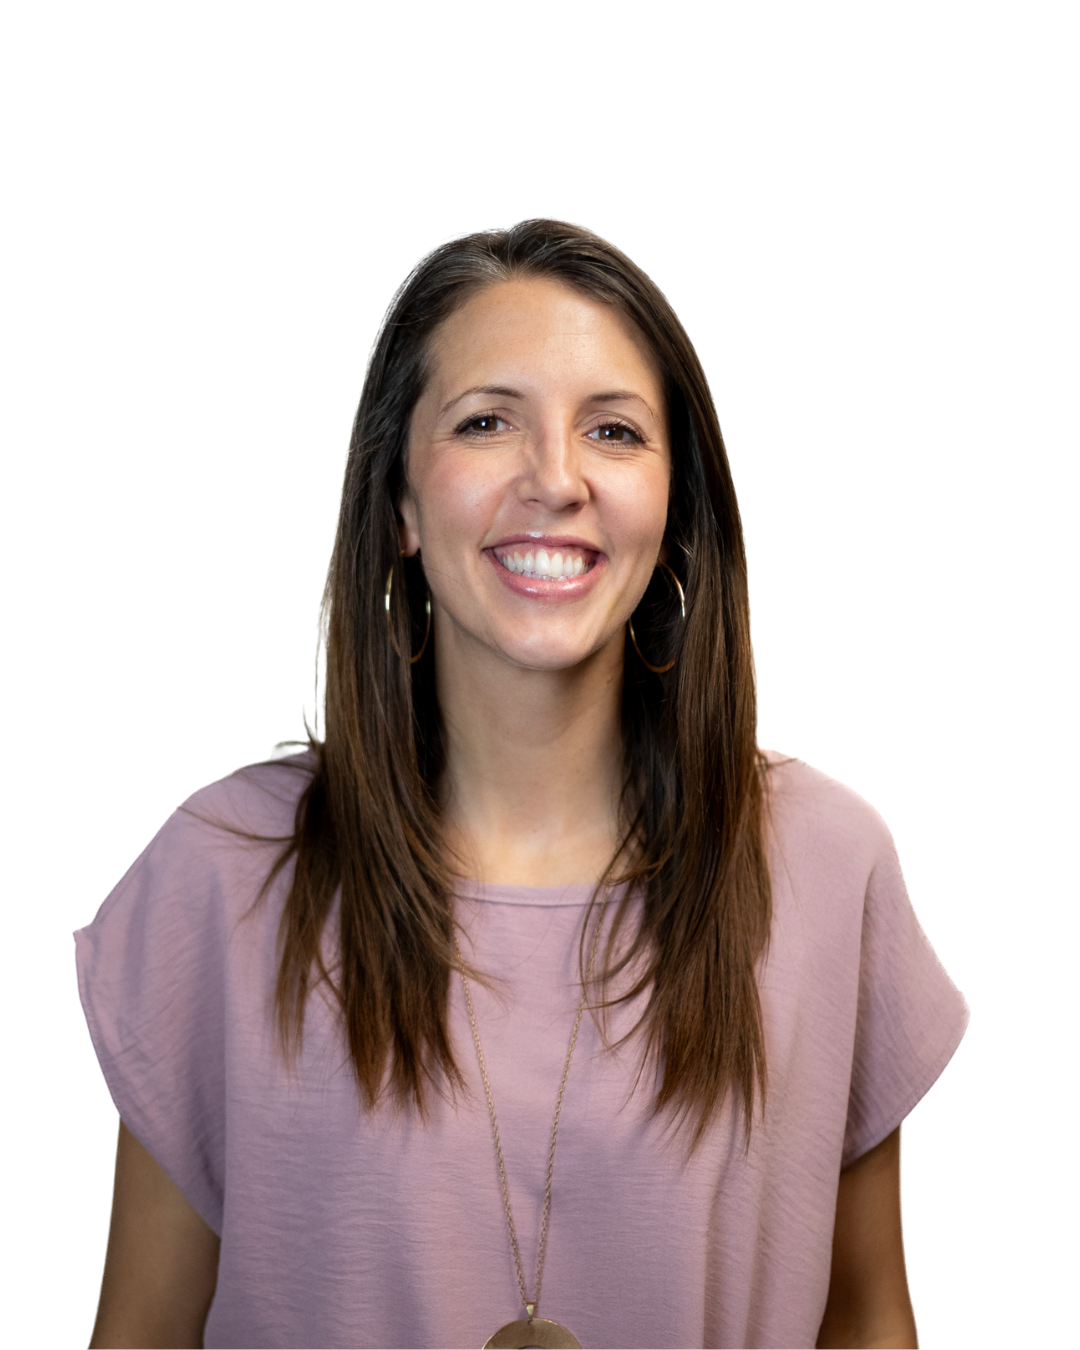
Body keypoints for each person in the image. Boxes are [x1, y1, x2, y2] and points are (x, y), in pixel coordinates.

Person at [76, 217, 969, 1349]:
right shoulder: (220, 875)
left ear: (674, 508)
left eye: (613, 430)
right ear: (400, 503)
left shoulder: (828, 862)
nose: (555, 479)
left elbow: (869, 1319)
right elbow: (141, 1332)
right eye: (487, 421)